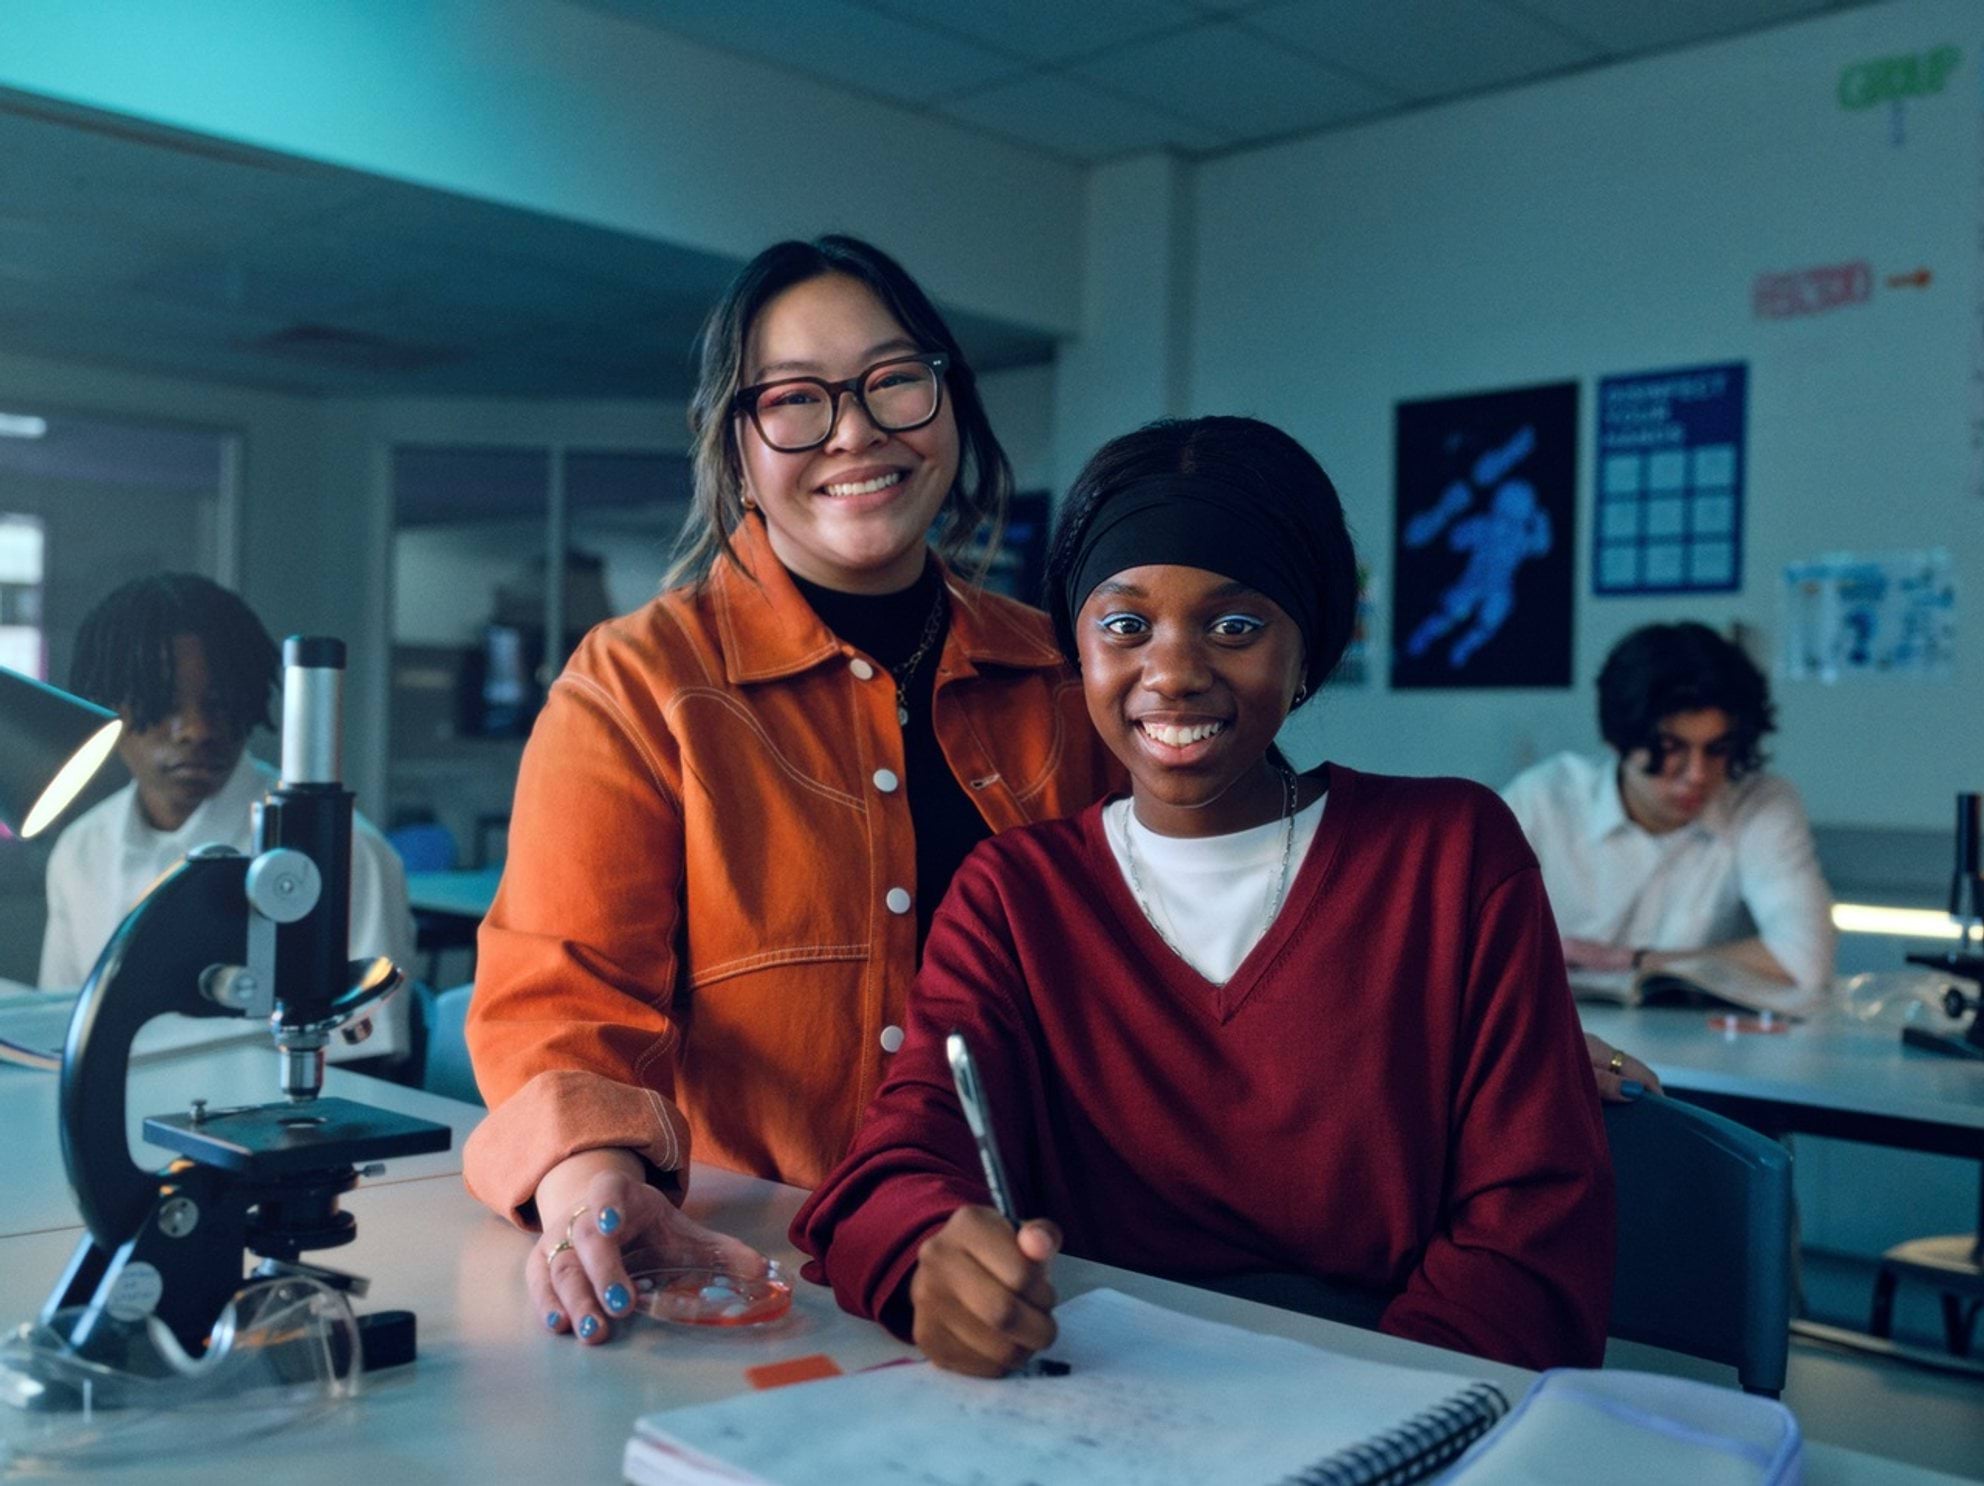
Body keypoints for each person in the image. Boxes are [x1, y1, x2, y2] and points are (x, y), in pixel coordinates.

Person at [792, 416, 1614, 1375]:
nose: (1173, 673)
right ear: (1079, 654)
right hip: (1104, 1397)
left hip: (1389, 1404)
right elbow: (898, 1160)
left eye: (1235, 625)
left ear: (1309, 649)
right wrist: (930, 1255)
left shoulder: (1451, 856)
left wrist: (1363, 1424)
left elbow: (1534, 1238)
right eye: (1125, 626)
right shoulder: (1017, 896)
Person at [462, 236, 1117, 1346]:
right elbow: (560, 1009)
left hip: (1051, 1278)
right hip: (768, 1286)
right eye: (796, 400)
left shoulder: (1064, 674)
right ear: (736, 439)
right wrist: (590, 1181)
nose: (855, 430)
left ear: (948, 398)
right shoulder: (638, 685)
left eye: (893, 381)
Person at [38, 573, 416, 1062]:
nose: (196, 729)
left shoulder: (342, 853)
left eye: (220, 703)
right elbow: (61, 1029)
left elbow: (374, 1056)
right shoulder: (81, 849)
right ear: (107, 705)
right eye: (164, 703)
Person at [1502, 621, 1835, 1004]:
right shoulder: (1544, 800)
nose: (1696, 775)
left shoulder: (1759, 803)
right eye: (1670, 748)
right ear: (1619, 739)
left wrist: (1629, 960)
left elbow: (1805, 958)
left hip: (1697, 1045)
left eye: (1717, 749)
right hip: (1549, 1035)